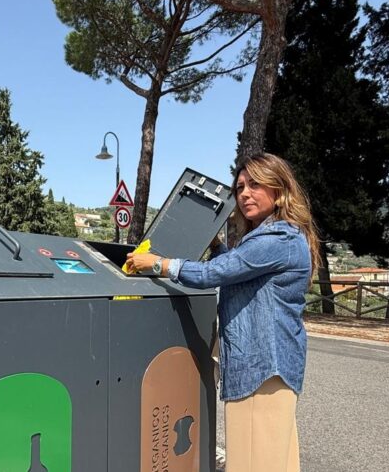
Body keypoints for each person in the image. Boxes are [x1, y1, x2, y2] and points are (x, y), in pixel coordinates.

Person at [126, 153, 321, 472]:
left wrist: (158, 264)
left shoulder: (277, 239)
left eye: (255, 185)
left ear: (279, 190)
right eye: (240, 186)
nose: (245, 194)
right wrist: (216, 246)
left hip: (261, 369)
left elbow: (212, 274)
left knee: (251, 463)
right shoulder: (280, 236)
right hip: (272, 368)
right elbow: (237, 269)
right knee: (276, 461)